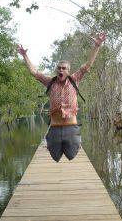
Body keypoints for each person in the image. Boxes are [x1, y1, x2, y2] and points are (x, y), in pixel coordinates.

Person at [18, 32, 106, 162]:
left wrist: (97, 46)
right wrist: (25, 55)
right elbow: (34, 73)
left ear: (68, 71)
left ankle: (73, 143)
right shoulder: (51, 81)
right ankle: (54, 144)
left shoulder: (74, 79)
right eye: (59, 68)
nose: (61, 70)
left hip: (71, 127)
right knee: (55, 156)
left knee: (71, 155)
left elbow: (87, 66)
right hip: (54, 127)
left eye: (64, 68)